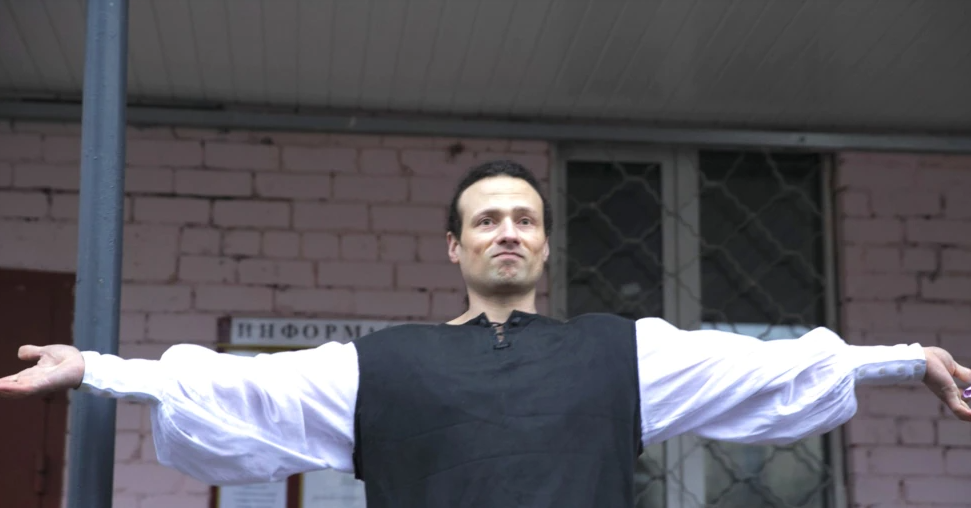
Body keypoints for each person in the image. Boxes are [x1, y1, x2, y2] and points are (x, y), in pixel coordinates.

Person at [1, 159, 969, 508]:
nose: (506, 230)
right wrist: (95, 369)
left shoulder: (619, 352)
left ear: (543, 244)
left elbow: (762, 367)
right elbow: (236, 386)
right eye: (486, 219)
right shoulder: (380, 365)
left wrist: (903, 358)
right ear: (454, 246)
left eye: (523, 218)